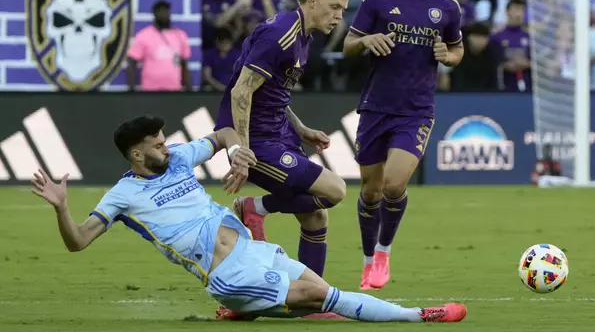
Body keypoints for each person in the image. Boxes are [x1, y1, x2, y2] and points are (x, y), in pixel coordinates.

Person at [30, 116, 468, 323]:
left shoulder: (180, 159)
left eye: (166, 143)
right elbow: (79, 241)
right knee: (322, 296)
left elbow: (221, 133)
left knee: (315, 300)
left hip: (252, 249)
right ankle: (419, 316)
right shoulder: (122, 196)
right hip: (227, 272)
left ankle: (248, 310)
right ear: (137, 155)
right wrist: (62, 207)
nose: (168, 148)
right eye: (158, 146)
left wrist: (238, 153)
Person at [215, 0, 351, 279]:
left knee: (315, 217)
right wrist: (243, 151)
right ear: (312, 0)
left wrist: (300, 128)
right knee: (336, 190)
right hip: (256, 140)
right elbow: (241, 91)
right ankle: (256, 208)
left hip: (279, 133)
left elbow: (273, 91)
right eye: (335, 7)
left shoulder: (302, 36)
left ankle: (313, 301)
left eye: (342, 9)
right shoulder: (280, 35)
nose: (339, 16)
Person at [342, 0, 464, 290]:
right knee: (370, 191)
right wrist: (367, 41)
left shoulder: (447, 7)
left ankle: (383, 253)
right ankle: (367, 262)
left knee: (394, 184)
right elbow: (349, 44)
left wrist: (449, 56)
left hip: (416, 112)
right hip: (376, 107)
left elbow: (457, 48)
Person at [127, 0, 192, 91]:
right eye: (160, 11)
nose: (164, 14)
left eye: (166, 11)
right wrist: (131, 89)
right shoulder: (143, 35)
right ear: (154, 14)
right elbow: (131, 62)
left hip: (174, 91)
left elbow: (184, 64)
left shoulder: (180, 35)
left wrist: (189, 90)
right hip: (150, 92)